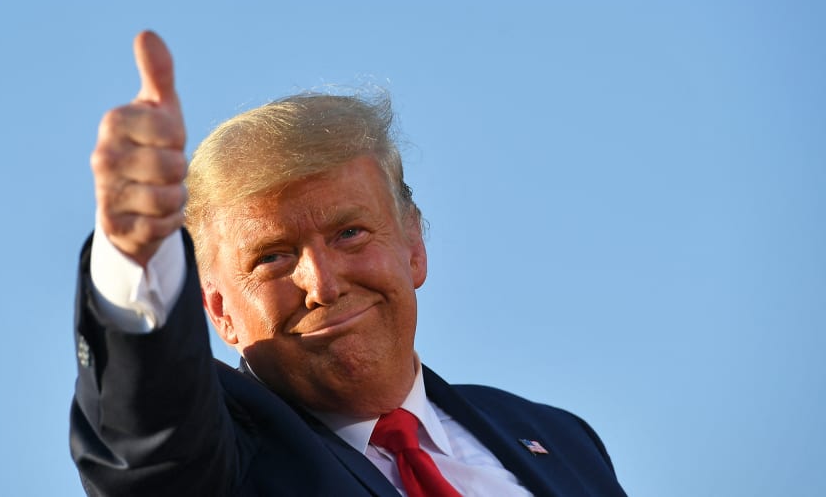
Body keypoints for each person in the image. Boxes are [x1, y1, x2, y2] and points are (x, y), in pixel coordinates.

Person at [70, 31, 628, 496]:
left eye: (350, 233)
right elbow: (149, 441)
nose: (322, 283)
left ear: (414, 245)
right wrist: (134, 255)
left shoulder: (561, 439)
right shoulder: (219, 459)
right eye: (272, 257)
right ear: (219, 311)